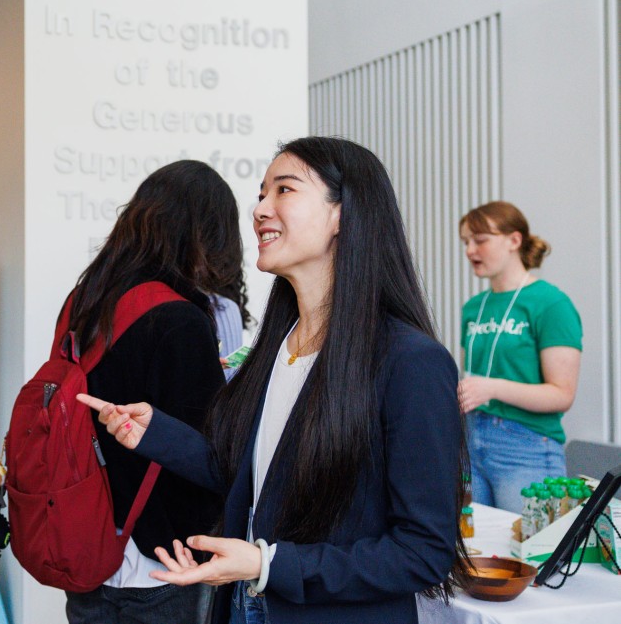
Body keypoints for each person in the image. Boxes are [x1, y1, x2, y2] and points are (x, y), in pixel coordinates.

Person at [81, 137, 469, 624]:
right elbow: (250, 476)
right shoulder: (275, 348)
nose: (260, 208)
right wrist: (155, 432)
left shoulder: (411, 362)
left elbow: (423, 552)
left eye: (283, 190)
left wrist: (270, 564)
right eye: (261, 193)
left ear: (342, 216)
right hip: (245, 608)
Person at [61, 160, 241, 624]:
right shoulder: (181, 319)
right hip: (165, 562)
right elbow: (204, 456)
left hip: (90, 547)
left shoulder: (85, 303)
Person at [458, 201, 582, 511]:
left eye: (480, 240)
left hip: (526, 447)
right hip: (473, 441)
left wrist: (492, 388)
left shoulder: (550, 303)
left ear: (514, 241)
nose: (470, 251)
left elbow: (561, 394)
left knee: (528, 552)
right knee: (480, 552)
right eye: (466, 242)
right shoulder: (474, 307)